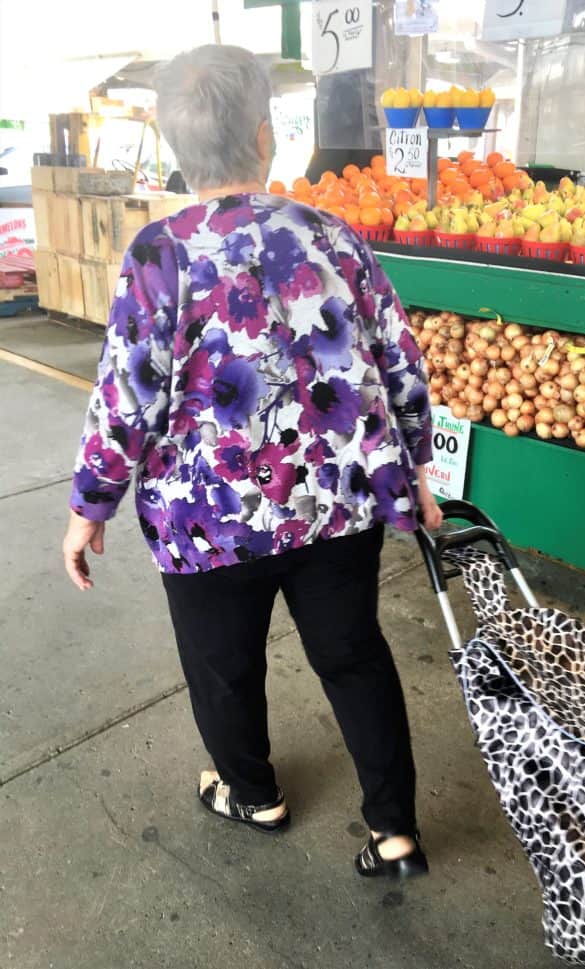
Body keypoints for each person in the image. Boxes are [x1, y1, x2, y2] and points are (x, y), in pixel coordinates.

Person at [62, 44, 442, 880]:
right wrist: (415, 468)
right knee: (353, 656)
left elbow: (127, 395)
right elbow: (398, 360)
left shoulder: (158, 253)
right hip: (335, 499)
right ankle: (395, 830)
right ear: (269, 138)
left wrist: (90, 505)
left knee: (222, 664)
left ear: (171, 146)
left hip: (207, 521)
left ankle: (253, 792)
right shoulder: (330, 234)